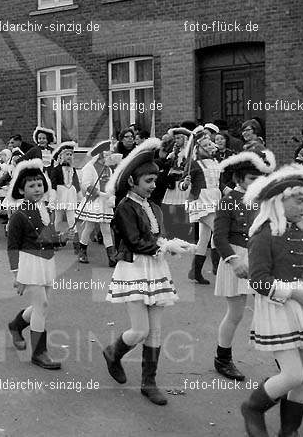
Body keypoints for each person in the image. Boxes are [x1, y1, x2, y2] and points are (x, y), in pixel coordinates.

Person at [102, 137, 194, 406]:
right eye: (148, 182)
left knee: (155, 330)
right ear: (132, 181)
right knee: (140, 330)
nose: (153, 186)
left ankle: (149, 382)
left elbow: (159, 236)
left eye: (155, 181)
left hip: (155, 267)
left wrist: (173, 245)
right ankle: (113, 352)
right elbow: (134, 240)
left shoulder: (153, 206)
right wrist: (163, 247)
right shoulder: (124, 207)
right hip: (133, 268)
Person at [240, 165, 303, 437]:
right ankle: (253, 407)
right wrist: (294, 293)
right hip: (279, 310)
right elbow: (258, 280)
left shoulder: (302, 232)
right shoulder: (264, 235)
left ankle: (289, 432)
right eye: (299, 200)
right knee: (292, 375)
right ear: (279, 201)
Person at [212, 149, 276, 382]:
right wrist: (233, 260)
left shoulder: (263, 199)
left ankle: (288, 365)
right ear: (239, 179)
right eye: (251, 179)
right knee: (236, 314)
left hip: (260, 259)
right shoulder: (229, 200)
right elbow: (218, 237)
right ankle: (223, 358)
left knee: (271, 311)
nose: (256, 183)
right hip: (236, 259)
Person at [5, 158, 70, 370]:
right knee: (42, 306)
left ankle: (16, 325)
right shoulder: (18, 215)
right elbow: (12, 247)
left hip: (47, 262)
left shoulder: (44, 210)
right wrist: (16, 274)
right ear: (21, 190)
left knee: (40, 305)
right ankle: (39, 352)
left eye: (39, 184)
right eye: (31, 186)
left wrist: (61, 238)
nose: (37, 189)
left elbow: (47, 238)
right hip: (29, 264)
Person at [180, 129, 221, 284]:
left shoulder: (215, 163)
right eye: (206, 145)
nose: (210, 147)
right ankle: (218, 267)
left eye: (210, 144)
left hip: (214, 200)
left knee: (204, 238)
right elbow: (182, 185)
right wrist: (185, 183)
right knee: (218, 230)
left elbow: (219, 183)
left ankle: (196, 272)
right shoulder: (194, 164)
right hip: (201, 201)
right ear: (198, 148)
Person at [76, 140, 118, 266]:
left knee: (106, 229)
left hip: (105, 202)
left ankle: (111, 257)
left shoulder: (108, 169)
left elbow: (111, 184)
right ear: (100, 155)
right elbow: (87, 185)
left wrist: (111, 195)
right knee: (89, 227)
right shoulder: (89, 167)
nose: (109, 157)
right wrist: (100, 194)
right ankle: (82, 252)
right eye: (107, 155)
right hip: (94, 201)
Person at [48, 141, 81, 255]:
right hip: (60, 196)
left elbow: (76, 183)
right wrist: (53, 197)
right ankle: (55, 241)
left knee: (72, 219)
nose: (69, 157)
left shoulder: (73, 170)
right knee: (57, 219)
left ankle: (76, 244)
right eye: (67, 154)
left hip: (70, 196)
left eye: (71, 154)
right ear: (61, 156)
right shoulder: (56, 170)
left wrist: (80, 195)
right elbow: (53, 184)